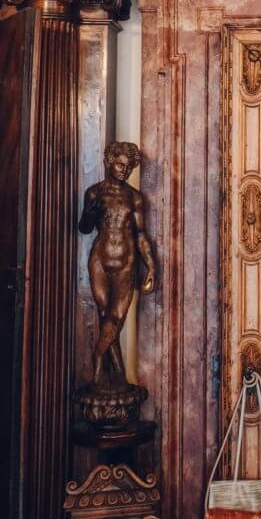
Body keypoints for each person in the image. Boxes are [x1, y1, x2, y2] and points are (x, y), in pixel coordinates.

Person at [79, 142, 157, 388]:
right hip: (100, 261)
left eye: (128, 166)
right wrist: (91, 211)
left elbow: (141, 235)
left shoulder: (134, 197)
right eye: (120, 164)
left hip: (126, 263)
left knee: (115, 316)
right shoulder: (94, 193)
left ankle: (98, 358)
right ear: (109, 162)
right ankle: (117, 377)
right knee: (106, 316)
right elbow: (84, 228)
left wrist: (151, 266)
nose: (124, 170)